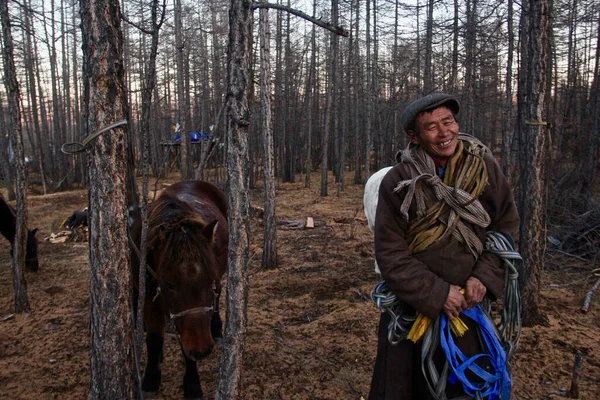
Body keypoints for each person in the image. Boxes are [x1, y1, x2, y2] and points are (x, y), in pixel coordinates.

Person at [368, 93, 519, 399]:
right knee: (405, 389)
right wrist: (438, 293)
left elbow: (505, 227)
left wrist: (484, 277)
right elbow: (390, 253)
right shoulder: (399, 181)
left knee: (463, 389)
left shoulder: (484, 169)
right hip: (412, 313)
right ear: (415, 136)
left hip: (468, 308)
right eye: (431, 127)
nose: (444, 132)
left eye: (448, 121)